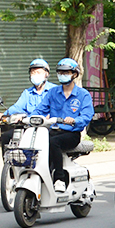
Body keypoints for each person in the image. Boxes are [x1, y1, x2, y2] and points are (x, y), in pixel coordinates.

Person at [34, 57, 93, 191]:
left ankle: (59, 179)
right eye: (60, 72)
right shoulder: (53, 92)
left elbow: (87, 115)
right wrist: (28, 117)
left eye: (66, 72)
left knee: (54, 143)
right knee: (38, 142)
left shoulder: (83, 95)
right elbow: (40, 109)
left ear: (74, 74)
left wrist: (75, 120)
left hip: (71, 134)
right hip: (53, 130)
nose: (62, 75)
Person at [0, 59, 53, 145]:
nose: (35, 75)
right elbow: (17, 107)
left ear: (46, 74)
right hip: (30, 127)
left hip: (49, 128)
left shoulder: (54, 90)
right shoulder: (27, 93)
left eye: (38, 72)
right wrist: (4, 114)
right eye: (33, 73)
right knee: (7, 136)